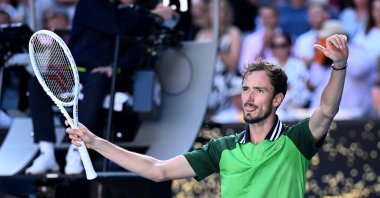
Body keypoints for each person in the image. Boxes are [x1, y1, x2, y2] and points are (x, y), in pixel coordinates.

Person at [66, 33, 348, 197]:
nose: (248, 98)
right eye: (245, 89)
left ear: (277, 99)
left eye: (258, 91)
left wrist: (338, 67)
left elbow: (326, 110)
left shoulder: (295, 140)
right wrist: (95, 143)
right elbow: (157, 170)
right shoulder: (222, 148)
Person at [25, 0, 176, 175]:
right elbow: (119, 25)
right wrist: (155, 15)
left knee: (98, 80)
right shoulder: (91, 5)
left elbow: (137, 48)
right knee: (37, 83)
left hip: (103, 75)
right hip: (74, 71)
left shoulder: (134, 15)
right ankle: (46, 153)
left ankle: (77, 152)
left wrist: (116, 67)